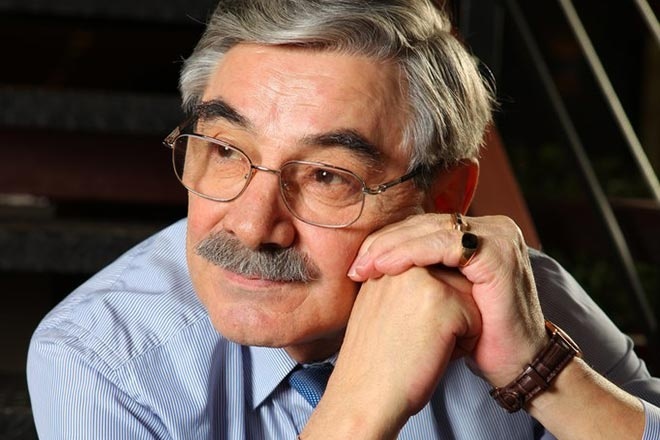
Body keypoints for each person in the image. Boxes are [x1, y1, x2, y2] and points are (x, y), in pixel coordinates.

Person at [27, 0, 660, 438]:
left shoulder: (514, 296)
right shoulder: (101, 354)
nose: (251, 227)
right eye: (225, 151)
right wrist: (356, 414)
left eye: (328, 176)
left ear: (445, 198)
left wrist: (540, 373)